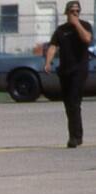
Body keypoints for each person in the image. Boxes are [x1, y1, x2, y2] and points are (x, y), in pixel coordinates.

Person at [44, 1, 93, 148]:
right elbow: (53, 46)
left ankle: (75, 137)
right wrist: (48, 62)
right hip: (65, 70)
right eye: (72, 11)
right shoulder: (61, 30)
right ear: (66, 12)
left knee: (74, 102)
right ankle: (76, 136)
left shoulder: (85, 26)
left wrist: (76, 23)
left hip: (79, 70)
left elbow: (87, 39)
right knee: (69, 104)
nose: (75, 13)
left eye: (77, 11)